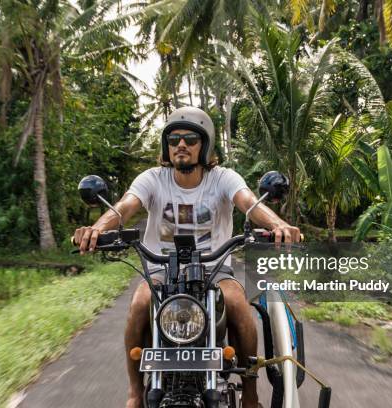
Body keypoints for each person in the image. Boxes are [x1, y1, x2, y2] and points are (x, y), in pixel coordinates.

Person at [74, 107, 301, 408]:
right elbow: (125, 207)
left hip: (214, 267)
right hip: (160, 268)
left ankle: (249, 392)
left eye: (190, 138)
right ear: (166, 146)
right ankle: (134, 391)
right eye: (174, 138)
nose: (181, 144)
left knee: (238, 307)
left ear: (204, 145)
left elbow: (247, 202)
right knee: (140, 304)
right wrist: (98, 228)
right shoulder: (153, 179)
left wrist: (276, 224)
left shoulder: (222, 178)